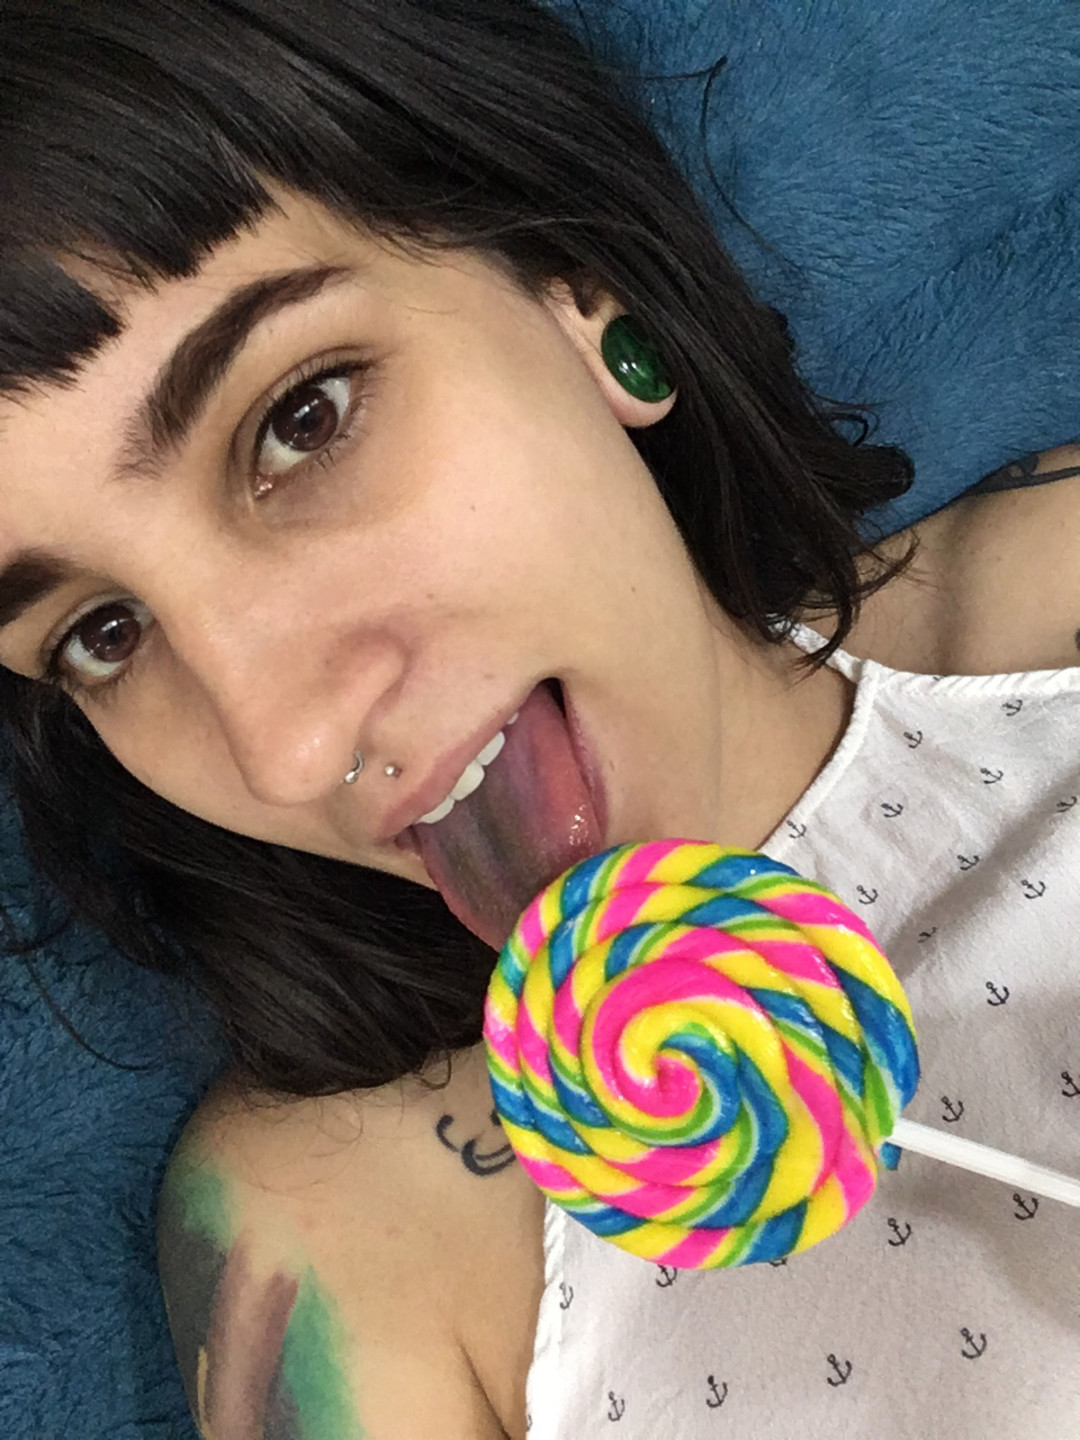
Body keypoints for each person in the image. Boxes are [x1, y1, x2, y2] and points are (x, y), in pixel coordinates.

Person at [0, 1, 1075, 1437]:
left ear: (576, 292)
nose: (288, 750)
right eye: (103, 634)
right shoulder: (342, 1233)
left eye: (304, 420)